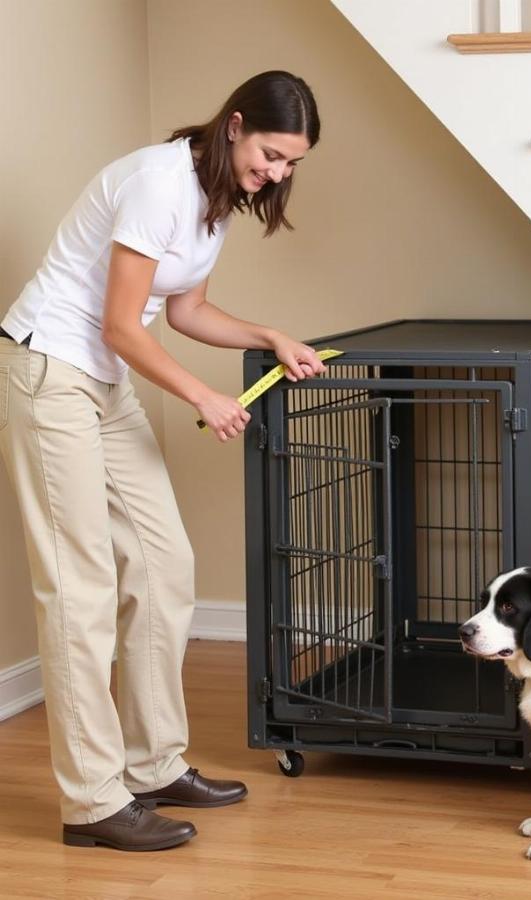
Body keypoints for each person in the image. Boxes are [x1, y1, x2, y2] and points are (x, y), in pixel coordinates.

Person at [0, 70, 325, 851]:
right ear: (236, 123)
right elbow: (120, 323)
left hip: (102, 380)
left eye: (290, 165)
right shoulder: (158, 181)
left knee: (162, 563)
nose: (277, 174)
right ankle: (93, 802)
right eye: (272, 154)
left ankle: (152, 764)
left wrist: (269, 336)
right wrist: (202, 399)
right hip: (52, 372)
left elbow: (186, 311)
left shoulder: (214, 205)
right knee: (80, 587)